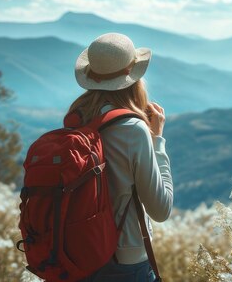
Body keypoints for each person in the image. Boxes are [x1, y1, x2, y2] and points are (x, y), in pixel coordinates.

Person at [70, 32, 172, 281]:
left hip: (77, 255)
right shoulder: (132, 130)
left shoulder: (76, 119)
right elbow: (161, 209)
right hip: (124, 261)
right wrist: (157, 140)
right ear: (132, 77)